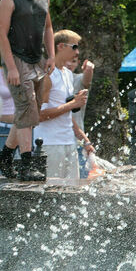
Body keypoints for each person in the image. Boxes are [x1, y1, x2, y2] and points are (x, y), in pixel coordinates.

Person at [0, 0, 54, 181]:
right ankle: (27, 164)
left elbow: (48, 28)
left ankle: (5, 155)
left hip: (37, 58)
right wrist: (11, 68)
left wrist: (52, 56)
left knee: (29, 112)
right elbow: (1, 34)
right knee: (27, 109)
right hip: (16, 59)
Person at [33, 30, 93, 180]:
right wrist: (73, 104)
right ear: (60, 46)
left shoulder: (67, 74)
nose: (77, 52)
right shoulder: (47, 74)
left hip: (69, 144)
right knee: (51, 193)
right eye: (74, 47)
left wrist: (85, 141)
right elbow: (38, 115)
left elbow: (66, 114)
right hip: (50, 145)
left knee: (71, 196)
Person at [64, 53, 94, 132]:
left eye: (73, 61)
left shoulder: (79, 79)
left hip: (76, 135)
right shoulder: (50, 78)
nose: (69, 64)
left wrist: (88, 69)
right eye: (66, 60)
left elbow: (87, 80)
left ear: (78, 63)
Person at [0, 66, 15, 155]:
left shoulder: (27, 70)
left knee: (23, 166)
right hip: (4, 127)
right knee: (0, 166)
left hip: (23, 128)